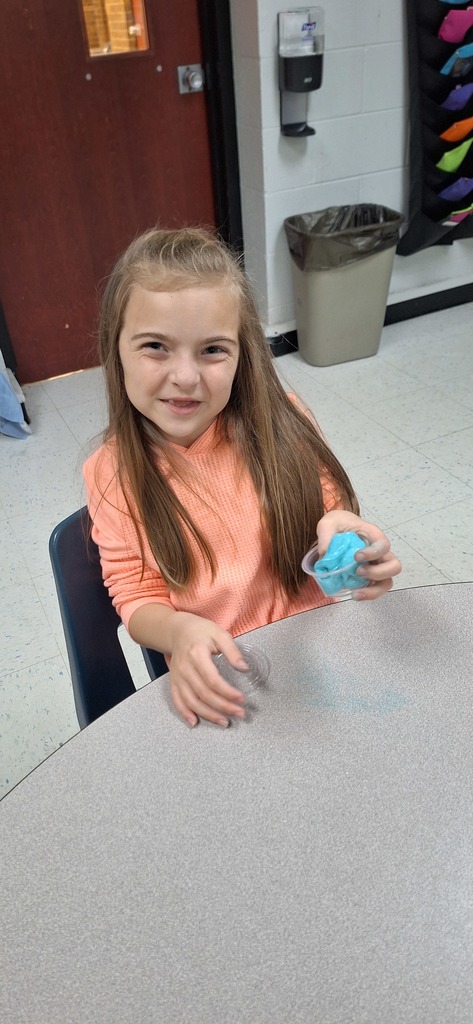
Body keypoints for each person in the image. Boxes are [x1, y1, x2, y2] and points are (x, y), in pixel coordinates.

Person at [83, 227, 401, 728]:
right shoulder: (111, 472)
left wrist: (353, 543)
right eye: (155, 347)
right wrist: (179, 632)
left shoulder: (283, 421)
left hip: (326, 650)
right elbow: (134, 593)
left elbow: (330, 511)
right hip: (230, 686)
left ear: (241, 354)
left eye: (212, 350)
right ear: (114, 350)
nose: (186, 377)